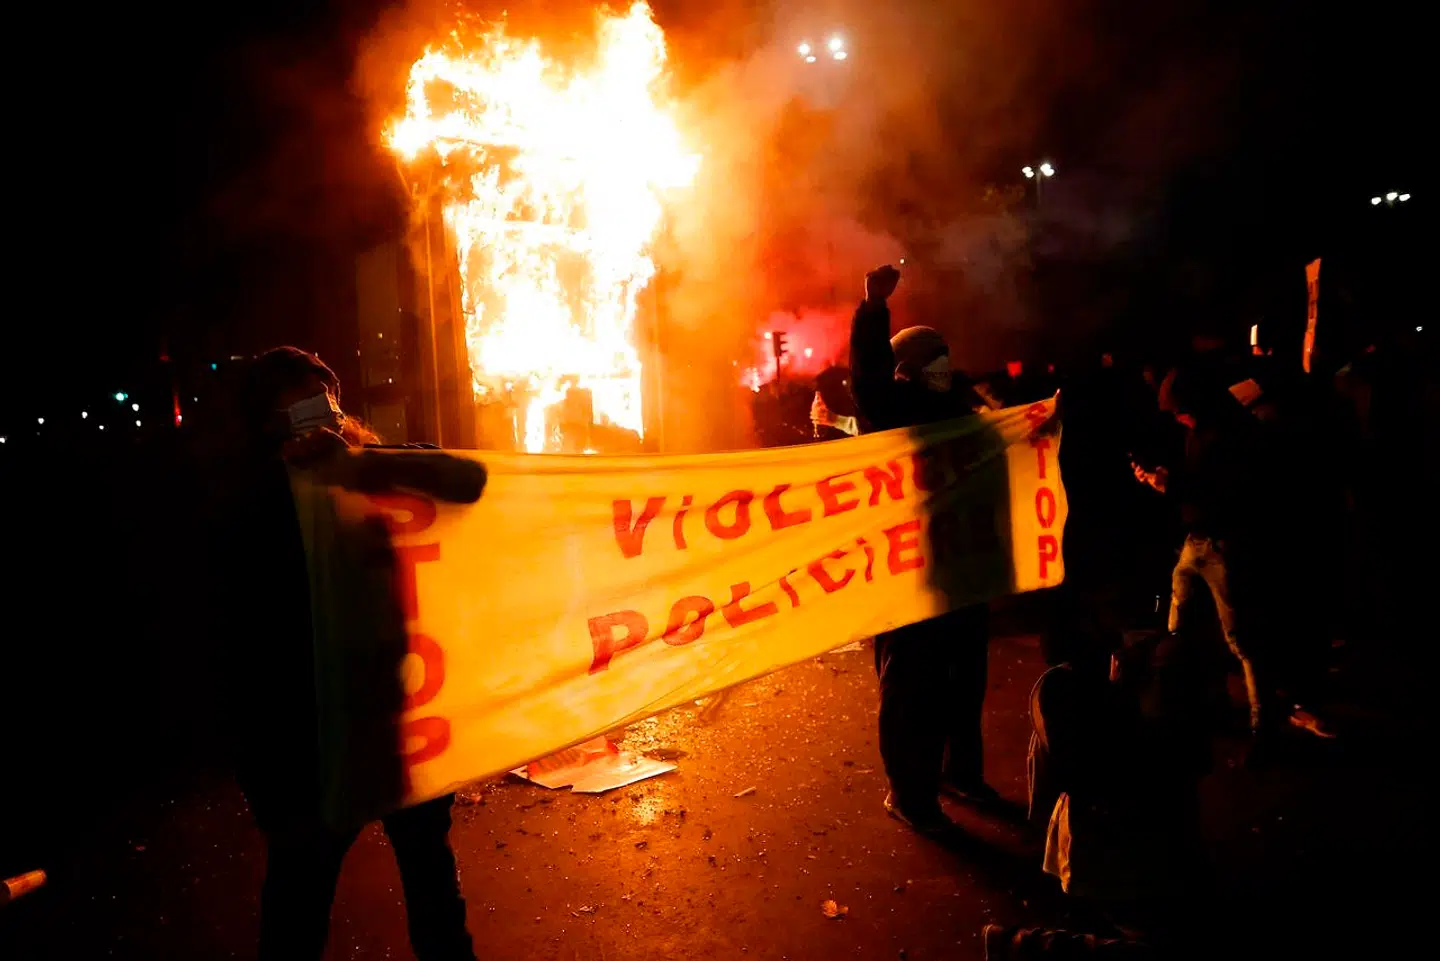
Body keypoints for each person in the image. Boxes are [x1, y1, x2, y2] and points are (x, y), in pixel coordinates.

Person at [211, 347, 481, 961]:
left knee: (435, 895)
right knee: (297, 912)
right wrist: (261, 776)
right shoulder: (245, 506)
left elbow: (469, 481)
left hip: (398, 727)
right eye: (303, 401)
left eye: (328, 397)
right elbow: (231, 646)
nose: (324, 412)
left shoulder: (371, 469)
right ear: (264, 422)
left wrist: (354, 465)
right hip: (306, 750)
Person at [848, 264, 998, 834]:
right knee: (912, 691)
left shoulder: (963, 411)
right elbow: (869, 376)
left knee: (964, 685)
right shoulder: (893, 411)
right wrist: (872, 308)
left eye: (944, 357)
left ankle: (962, 773)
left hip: (964, 574)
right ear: (907, 370)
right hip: (907, 576)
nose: (942, 368)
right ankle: (911, 792)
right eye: (929, 361)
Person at [1132, 364, 1274, 741]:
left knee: (1241, 638)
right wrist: (1161, 480)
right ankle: (1198, 704)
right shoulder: (1199, 432)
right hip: (1196, 541)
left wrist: (1172, 484)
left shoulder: (1233, 435)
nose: (1178, 419)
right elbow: (1194, 481)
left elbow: (1222, 492)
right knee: (1180, 625)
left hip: (1224, 544)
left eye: (1180, 411)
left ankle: (1264, 727)